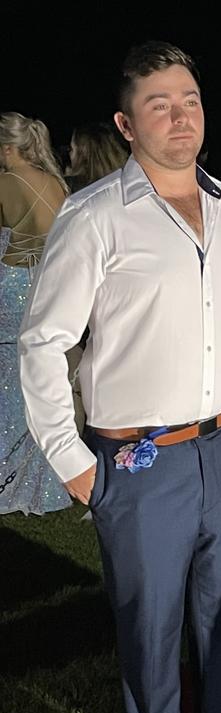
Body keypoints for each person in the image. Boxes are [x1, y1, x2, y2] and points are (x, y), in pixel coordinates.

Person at [19, 41, 221, 713]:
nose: (179, 115)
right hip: (138, 458)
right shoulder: (93, 217)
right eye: (159, 104)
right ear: (127, 123)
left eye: (188, 99)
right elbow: (43, 342)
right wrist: (76, 466)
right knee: (149, 621)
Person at [0, 112, 72, 515]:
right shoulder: (56, 184)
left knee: (7, 380)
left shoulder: (6, 183)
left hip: (11, 287)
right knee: (37, 380)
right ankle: (38, 476)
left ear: (8, 148)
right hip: (45, 288)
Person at [65, 121, 128, 193]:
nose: (69, 154)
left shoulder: (72, 187)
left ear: (83, 154)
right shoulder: (128, 181)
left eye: (71, 149)